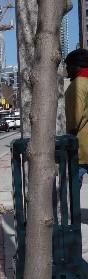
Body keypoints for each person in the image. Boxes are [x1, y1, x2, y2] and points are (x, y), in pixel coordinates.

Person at [64, 48, 88, 188]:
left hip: (81, 151)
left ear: (77, 66)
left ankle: (75, 211)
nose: (67, 69)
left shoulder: (77, 85)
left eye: (68, 66)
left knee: (72, 192)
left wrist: (68, 144)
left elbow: (74, 120)